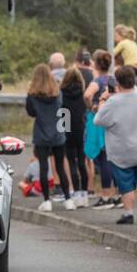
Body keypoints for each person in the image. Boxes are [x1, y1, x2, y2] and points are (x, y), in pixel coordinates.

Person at [93, 66, 137, 225]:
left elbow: (98, 120)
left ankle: (128, 214)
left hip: (122, 150)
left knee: (126, 184)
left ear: (118, 82)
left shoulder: (113, 101)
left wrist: (103, 100)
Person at [25, 63, 73, 212]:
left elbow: (31, 113)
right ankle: (68, 199)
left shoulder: (32, 95)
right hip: (58, 134)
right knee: (60, 168)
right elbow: (63, 109)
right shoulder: (57, 92)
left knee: (44, 169)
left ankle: (46, 201)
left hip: (41, 135)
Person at [84, 49, 119, 208]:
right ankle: (118, 193)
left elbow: (87, 95)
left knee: (103, 157)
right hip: (114, 120)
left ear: (96, 64)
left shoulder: (97, 81)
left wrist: (92, 107)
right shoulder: (113, 79)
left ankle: (105, 195)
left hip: (100, 120)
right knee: (114, 158)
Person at [60, 67, 89, 207]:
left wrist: (62, 132)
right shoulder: (83, 94)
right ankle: (85, 193)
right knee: (82, 162)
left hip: (68, 131)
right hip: (81, 130)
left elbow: (62, 114)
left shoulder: (62, 95)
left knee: (72, 163)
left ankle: (76, 192)